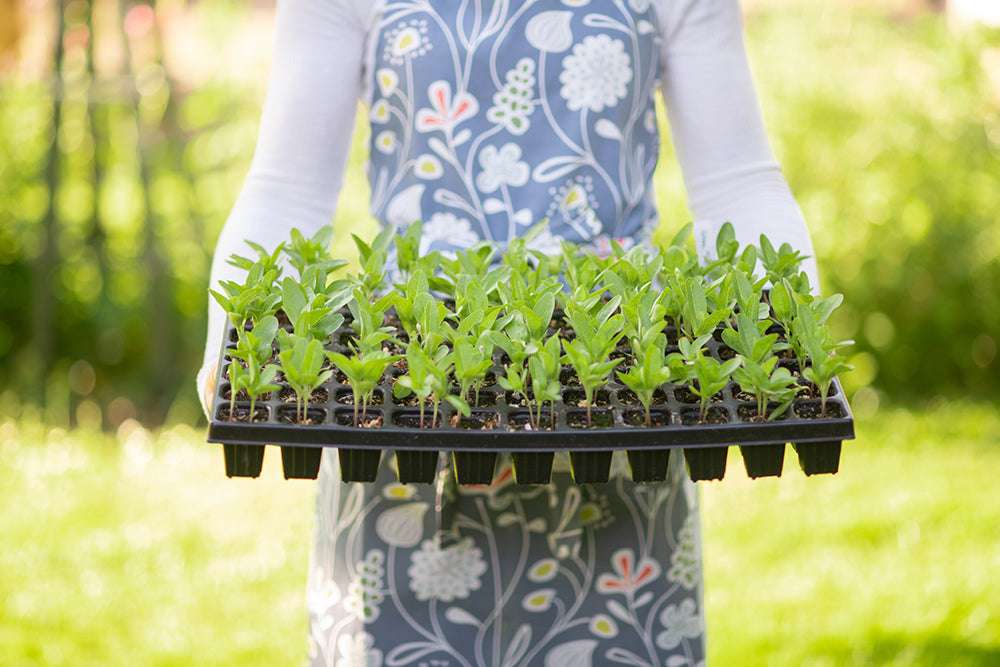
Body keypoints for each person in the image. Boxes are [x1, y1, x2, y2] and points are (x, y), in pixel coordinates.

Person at [198, 1, 820, 664]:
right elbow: (288, 189)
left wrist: (795, 351)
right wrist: (233, 347)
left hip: (613, 403)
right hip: (408, 406)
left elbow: (738, 184)